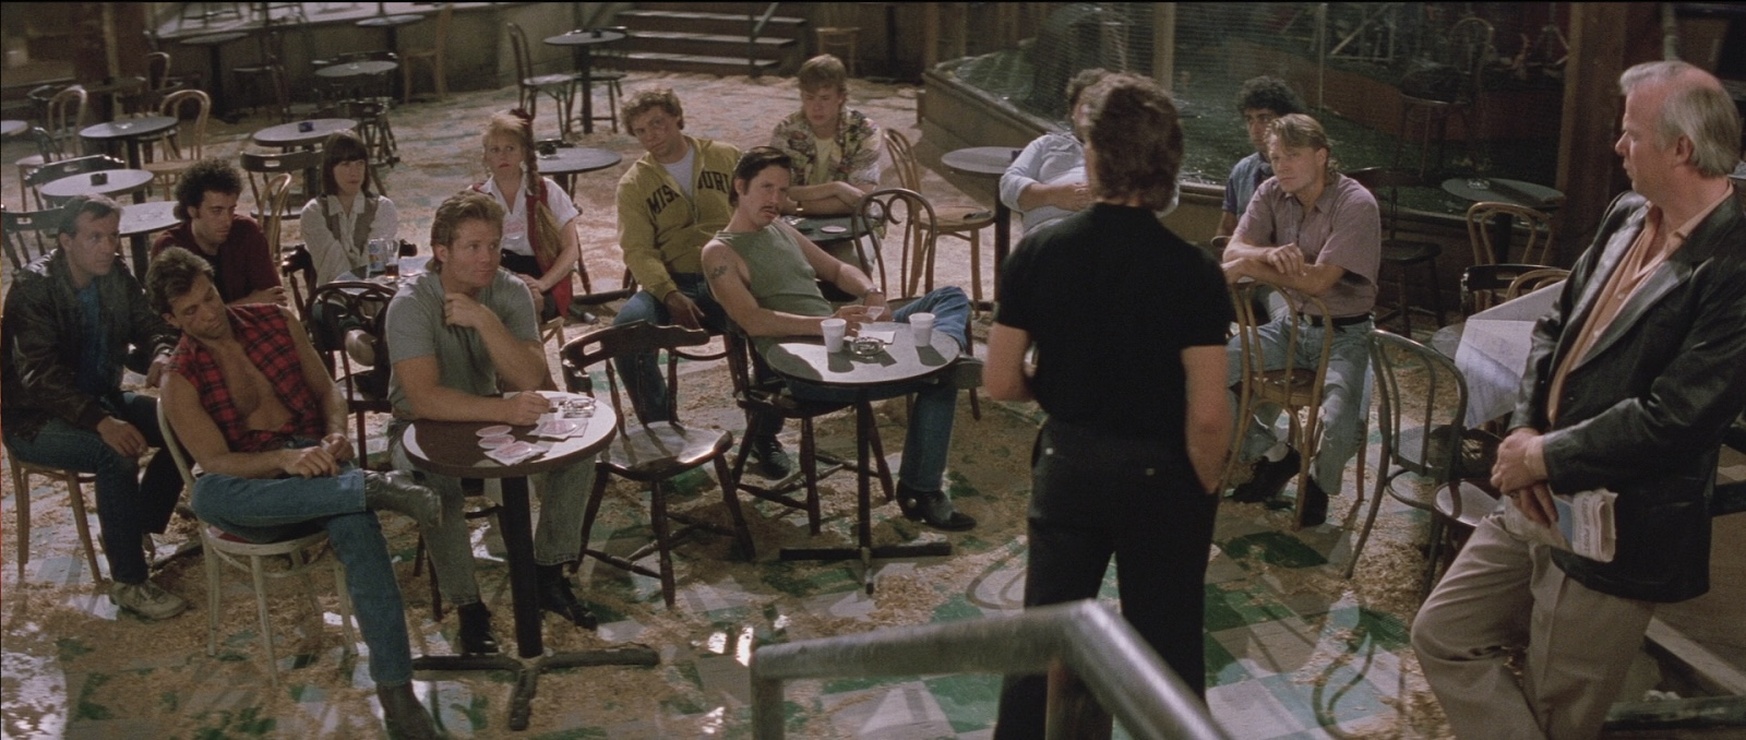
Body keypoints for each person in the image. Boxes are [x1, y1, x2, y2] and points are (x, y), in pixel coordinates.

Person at [1412, 60, 1746, 740]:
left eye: (1632, 134)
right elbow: (1553, 327)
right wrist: (1523, 432)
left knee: (1558, 709)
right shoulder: (1626, 214)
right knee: (1443, 633)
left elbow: (1677, 418)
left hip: (1617, 524)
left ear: (1681, 149)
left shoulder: (1734, 264)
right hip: (1534, 492)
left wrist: (1545, 457)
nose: (1618, 147)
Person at [986, 73, 1230, 737]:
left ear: (1092, 156)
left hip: (1069, 461)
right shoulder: (1194, 271)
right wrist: (1204, 482)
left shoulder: (1039, 252)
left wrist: (1056, 397)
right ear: (1168, 165)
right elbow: (1209, 414)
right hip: (1163, 471)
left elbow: (1000, 380)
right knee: (1168, 652)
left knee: (1044, 641)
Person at [149, 246, 442, 739]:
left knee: (357, 526)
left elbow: (328, 391)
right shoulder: (179, 380)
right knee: (207, 495)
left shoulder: (276, 320)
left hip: (320, 466)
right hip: (262, 493)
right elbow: (217, 462)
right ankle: (371, 488)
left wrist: (334, 434)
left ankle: (396, 692)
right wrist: (283, 461)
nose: (209, 314)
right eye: (191, 311)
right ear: (170, 319)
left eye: (210, 297)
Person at [701, 147, 977, 531]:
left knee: (949, 297)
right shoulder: (719, 253)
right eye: (766, 188)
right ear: (740, 186)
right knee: (939, 379)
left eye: (783, 190)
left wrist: (871, 292)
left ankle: (947, 353)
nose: (776, 199)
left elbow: (836, 269)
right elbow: (753, 321)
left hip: (842, 336)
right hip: (802, 368)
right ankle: (921, 490)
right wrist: (826, 324)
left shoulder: (781, 229)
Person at [385, 191, 599, 653]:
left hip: (489, 413)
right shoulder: (410, 304)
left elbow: (530, 377)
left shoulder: (508, 290)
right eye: (473, 247)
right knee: (435, 485)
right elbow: (423, 399)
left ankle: (547, 573)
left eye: (494, 245)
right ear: (442, 251)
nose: (487, 258)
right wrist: (502, 409)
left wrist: (485, 319)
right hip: (419, 425)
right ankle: (469, 606)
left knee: (578, 454)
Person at [2, 195, 187, 620]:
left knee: (183, 423)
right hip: (35, 418)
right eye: (95, 237)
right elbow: (40, 378)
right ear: (66, 241)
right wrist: (102, 422)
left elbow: (149, 324)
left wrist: (162, 352)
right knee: (114, 453)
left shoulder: (114, 272)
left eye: (113, 236)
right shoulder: (34, 287)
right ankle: (129, 582)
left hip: (100, 397)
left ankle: (134, 525)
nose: (108, 247)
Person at [1220, 113, 1380, 525]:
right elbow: (1233, 250)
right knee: (1202, 372)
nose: (1282, 166)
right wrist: (1265, 253)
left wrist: (1251, 265)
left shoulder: (1356, 203)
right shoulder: (1271, 191)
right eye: (1276, 158)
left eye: (1293, 155)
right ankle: (1276, 455)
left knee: (1342, 424)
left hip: (1346, 334)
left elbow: (1319, 281)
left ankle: (1317, 483)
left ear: (1321, 156)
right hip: (1290, 327)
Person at [472, 109, 583, 322]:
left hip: (542, 276)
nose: (503, 155)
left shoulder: (548, 191)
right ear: (486, 157)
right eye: (495, 150)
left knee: (524, 304)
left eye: (510, 148)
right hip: (496, 275)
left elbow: (571, 249)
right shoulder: (477, 197)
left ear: (522, 152)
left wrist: (542, 284)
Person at [151, 157, 286, 306]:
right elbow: (183, 315)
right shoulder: (170, 247)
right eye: (216, 211)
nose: (227, 220)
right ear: (193, 211)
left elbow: (276, 299)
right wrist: (249, 302)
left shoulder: (246, 231)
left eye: (231, 209)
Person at [768, 54, 883, 217]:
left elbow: (860, 199)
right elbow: (777, 190)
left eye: (825, 98)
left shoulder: (864, 131)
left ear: (841, 97)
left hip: (852, 221)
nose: (817, 107)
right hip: (795, 221)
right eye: (810, 98)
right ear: (802, 97)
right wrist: (835, 188)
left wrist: (795, 207)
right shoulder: (786, 130)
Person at [999, 68, 1109, 235]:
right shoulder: (1046, 144)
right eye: (1087, 103)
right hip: (1050, 231)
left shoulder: (1126, 151)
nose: (1092, 111)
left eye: (1100, 104)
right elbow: (1008, 185)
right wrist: (1055, 195)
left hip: (1105, 231)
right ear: (1073, 111)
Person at [300, 130, 399, 286]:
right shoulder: (314, 212)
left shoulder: (383, 208)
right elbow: (334, 270)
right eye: (345, 164)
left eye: (360, 163)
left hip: (376, 292)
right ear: (330, 169)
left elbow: (375, 267)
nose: (355, 172)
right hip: (334, 295)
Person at [1218, 76, 1309, 239]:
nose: (1255, 129)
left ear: (1286, 120)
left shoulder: (1306, 168)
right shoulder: (1242, 171)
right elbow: (1226, 231)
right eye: (1249, 119)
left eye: (1264, 118)